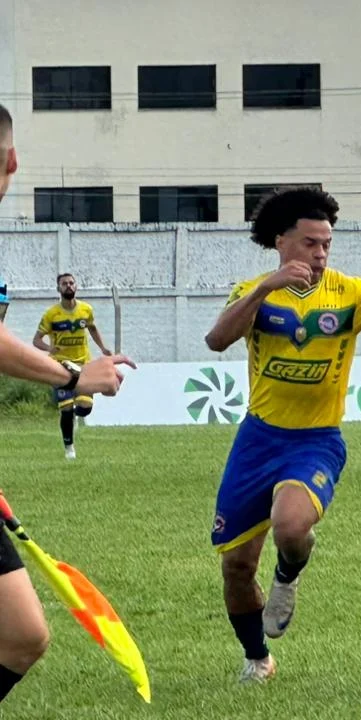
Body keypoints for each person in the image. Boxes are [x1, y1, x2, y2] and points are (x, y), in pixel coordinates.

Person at [202, 186, 361, 685]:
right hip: (257, 440)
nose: (320, 254)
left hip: (315, 440)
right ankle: (257, 658)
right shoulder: (254, 290)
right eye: (310, 243)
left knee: (291, 526)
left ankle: (287, 574)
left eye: (327, 244)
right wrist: (265, 288)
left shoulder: (351, 293)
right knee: (236, 567)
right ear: (281, 242)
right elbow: (217, 339)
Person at [0, 101, 136, 704]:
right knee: (22, 635)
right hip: (68, 371)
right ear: (13, 160)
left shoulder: (82, 309)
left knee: (22, 636)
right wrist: (73, 376)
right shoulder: (54, 316)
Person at [32, 273, 111, 459]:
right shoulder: (51, 314)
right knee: (66, 408)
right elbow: (36, 340)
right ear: (58, 289)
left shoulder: (86, 309)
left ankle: (76, 415)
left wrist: (103, 348)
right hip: (60, 367)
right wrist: (49, 348)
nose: (68, 286)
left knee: (85, 407)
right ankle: (69, 449)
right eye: (64, 284)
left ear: (76, 286)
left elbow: (92, 328)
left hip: (83, 365)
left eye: (71, 283)